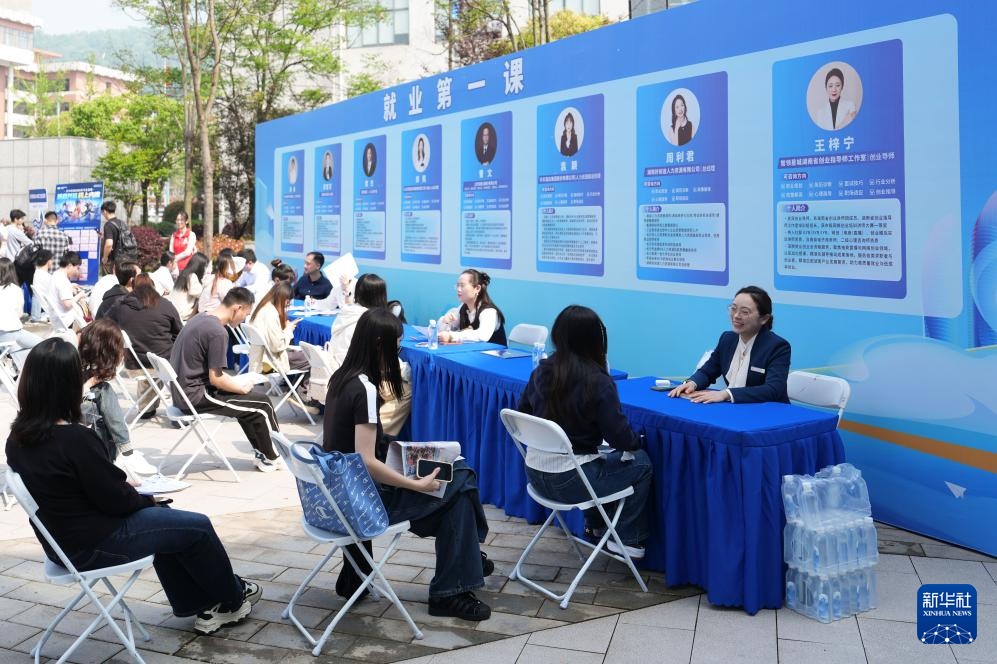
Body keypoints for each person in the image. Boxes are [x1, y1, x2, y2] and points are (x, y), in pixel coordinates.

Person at [5, 338, 261, 635]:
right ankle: (232, 599)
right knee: (197, 526)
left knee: (167, 521)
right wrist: (144, 497)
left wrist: (135, 496)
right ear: (69, 385)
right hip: (94, 544)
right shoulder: (74, 439)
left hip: (61, 545)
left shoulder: (17, 439)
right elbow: (116, 501)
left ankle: (203, 603)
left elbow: (79, 489)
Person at [323, 308, 492, 621]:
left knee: (456, 502)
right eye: (396, 347)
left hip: (341, 491)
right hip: (365, 500)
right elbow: (366, 461)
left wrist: (409, 454)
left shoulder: (341, 378)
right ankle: (460, 575)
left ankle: (462, 570)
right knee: (463, 476)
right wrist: (415, 484)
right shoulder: (365, 389)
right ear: (379, 345)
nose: (398, 355)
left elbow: (352, 445)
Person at [518, 305, 652, 558]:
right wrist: (638, 440)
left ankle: (596, 527)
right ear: (596, 339)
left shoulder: (542, 370)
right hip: (572, 483)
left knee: (596, 459)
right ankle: (628, 539)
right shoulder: (598, 380)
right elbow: (621, 438)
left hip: (535, 475)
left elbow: (522, 413)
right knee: (640, 462)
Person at [170, 287, 283, 472]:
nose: (244, 319)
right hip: (195, 395)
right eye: (245, 314)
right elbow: (216, 379)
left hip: (182, 392)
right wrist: (240, 388)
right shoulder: (217, 331)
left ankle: (264, 455)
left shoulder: (200, 317)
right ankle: (275, 456)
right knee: (263, 403)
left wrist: (237, 386)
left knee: (251, 405)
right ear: (237, 308)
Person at [668, 285, 791, 403]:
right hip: (735, 408)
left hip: (769, 411)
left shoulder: (777, 347)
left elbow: (773, 389)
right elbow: (707, 371)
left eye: (745, 312)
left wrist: (726, 394)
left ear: (764, 319)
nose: (736, 316)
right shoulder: (727, 339)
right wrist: (692, 383)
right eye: (733, 308)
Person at [325, 274, 411, 434]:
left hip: (339, 374)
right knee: (403, 389)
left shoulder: (345, 314)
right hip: (359, 378)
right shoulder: (371, 321)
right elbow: (384, 361)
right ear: (381, 296)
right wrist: (407, 371)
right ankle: (377, 431)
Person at [78, 319, 158, 475]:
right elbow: (69, 396)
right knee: (103, 393)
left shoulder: (78, 350)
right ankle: (125, 454)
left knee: (102, 410)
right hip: (62, 414)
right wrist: (91, 382)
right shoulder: (69, 355)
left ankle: (121, 457)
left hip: (66, 414)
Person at [110, 273, 182, 420]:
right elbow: (179, 333)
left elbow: (105, 322)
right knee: (171, 359)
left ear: (133, 287)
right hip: (163, 361)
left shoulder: (120, 306)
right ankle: (181, 408)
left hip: (134, 362)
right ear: (153, 286)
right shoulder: (165, 305)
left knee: (149, 359)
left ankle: (146, 408)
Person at [246, 281, 310, 380]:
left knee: (307, 355)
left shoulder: (264, 307)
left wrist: (286, 328)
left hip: (260, 357)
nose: (288, 303)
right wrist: (289, 330)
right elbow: (277, 346)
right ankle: (301, 387)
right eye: (288, 300)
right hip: (269, 362)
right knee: (313, 358)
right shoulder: (270, 313)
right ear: (282, 297)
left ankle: (295, 386)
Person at [437, 269, 507, 345]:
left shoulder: (489, 311)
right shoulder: (462, 308)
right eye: (457, 285)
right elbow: (444, 333)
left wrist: (452, 336)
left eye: (462, 285)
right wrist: (445, 322)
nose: (458, 289)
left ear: (477, 288)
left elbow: (482, 336)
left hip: (494, 352)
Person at [0, 258, 42, 369]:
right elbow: (19, 314)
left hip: (2, 336)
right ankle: (17, 363)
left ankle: (13, 360)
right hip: (13, 333)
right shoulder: (15, 289)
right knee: (43, 345)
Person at [48, 251, 89, 331]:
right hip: (65, 319)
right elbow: (68, 304)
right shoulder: (63, 280)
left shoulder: (56, 274)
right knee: (86, 304)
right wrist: (80, 295)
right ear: (69, 265)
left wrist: (70, 286)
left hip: (56, 316)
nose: (77, 271)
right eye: (77, 268)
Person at [168, 252, 209, 322]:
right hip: (182, 315)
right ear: (200, 266)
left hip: (172, 311)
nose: (205, 270)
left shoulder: (183, 274)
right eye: (205, 267)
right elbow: (200, 294)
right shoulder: (192, 276)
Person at [99, 201, 136, 274]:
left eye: (102, 213)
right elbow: (119, 237)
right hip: (125, 259)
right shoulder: (122, 223)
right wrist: (104, 236)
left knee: (110, 279)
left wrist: (105, 258)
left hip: (113, 261)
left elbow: (109, 244)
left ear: (105, 211)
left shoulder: (108, 225)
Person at [29, 249, 53, 322]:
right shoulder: (46, 277)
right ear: (48, 261)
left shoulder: (37, 273)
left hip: (39, 312)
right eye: (51, 259)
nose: (52, 262)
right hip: (47, 312)